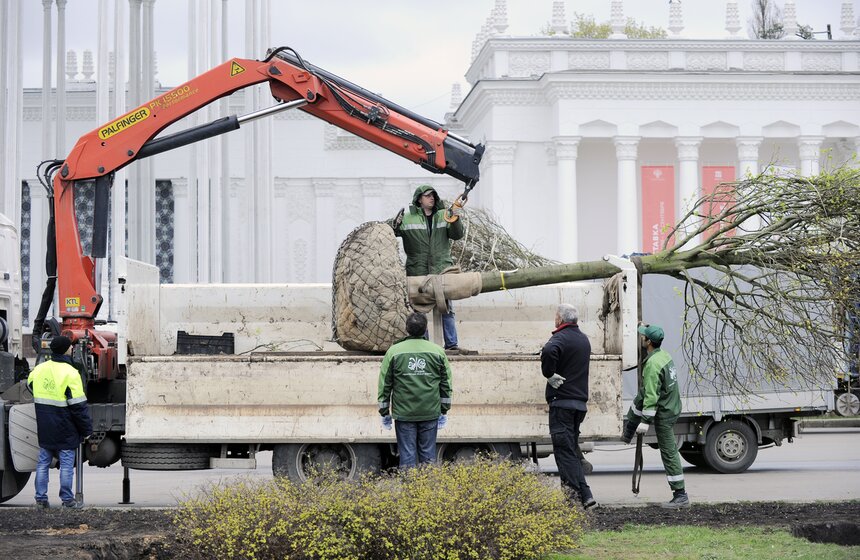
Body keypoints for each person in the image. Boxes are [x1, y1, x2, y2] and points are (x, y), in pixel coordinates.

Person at [622, 324, 689, 509]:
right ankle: (627, 433)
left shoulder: (652, 364)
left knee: (669, 453)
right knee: (638, 401)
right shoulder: (663, 356)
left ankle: (680, 495)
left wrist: (645, 422)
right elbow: (645, 395)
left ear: (648, 342)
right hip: (672, 407)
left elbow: (651, 396)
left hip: (664, 414)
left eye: (643, 337)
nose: (641, 338)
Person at [391, 184, 464, 351]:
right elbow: (390, 232)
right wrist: (394, 223)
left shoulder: (443, 215)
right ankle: (423, 344)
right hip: (418, 271)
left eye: (433, 196)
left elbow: (457, 235)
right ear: (419, 199)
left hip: (441, 270)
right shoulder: (407, 218)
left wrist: (455, 220)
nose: (432, 198)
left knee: (446, 308)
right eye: (427, 196)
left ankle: (452, 345)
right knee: (419, 311)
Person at [540, 303, 598, 510]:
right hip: (579, 405)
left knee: (564, 453)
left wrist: (548, 373)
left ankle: (573, 499)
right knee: (570, 452)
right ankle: (585, 496)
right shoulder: (583, 339)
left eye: (556, 316)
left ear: (560, 319)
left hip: (561, 404)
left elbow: (548, 350)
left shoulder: (559, 339)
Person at [378, 312, 453, 468]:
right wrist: (444, 410)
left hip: (404, 414)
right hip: (430, 412)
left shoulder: (394, 352)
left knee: (407, 456)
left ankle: (409, 490)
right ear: (425, 329)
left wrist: (384, 412)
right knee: (428, 456)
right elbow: (445, 383)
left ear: (406, 328)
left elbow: (385, 384)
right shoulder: (437, 352)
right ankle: (427, 489)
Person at [27, 335, 93, 509]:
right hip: (65, 425)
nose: (72, 349)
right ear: (66, 350)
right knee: (66, 463)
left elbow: (30, 385)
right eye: (70, 347)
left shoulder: (40, 369)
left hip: (45, 423)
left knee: (43, 462)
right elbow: (78, 406)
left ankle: (40, 499)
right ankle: (67, 500)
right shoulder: (71, 373)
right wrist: (87, 429)